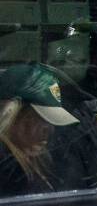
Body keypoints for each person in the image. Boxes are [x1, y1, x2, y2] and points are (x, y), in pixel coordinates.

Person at [0, 63, 82, 196]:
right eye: (39, 119)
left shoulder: (46, 161)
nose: (49, 130)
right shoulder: (8, 170)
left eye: (50, 122)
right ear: (10, 114)